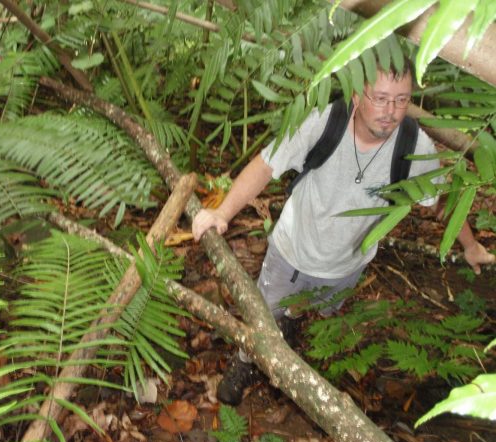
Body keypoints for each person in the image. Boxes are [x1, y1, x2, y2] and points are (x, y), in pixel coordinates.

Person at [191, 61, 495, 405]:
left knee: (317, 312)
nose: (391, 112)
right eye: (380, 98)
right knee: (263, 316)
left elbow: (442, 203)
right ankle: (246, 362)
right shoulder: (321, 121)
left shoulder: (415, 146)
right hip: (291, 252)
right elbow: (266, 164)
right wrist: (222, 212)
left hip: (348, 266)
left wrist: (470, 246)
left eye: (401, 100)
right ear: (355, 92)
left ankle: (293, 322)